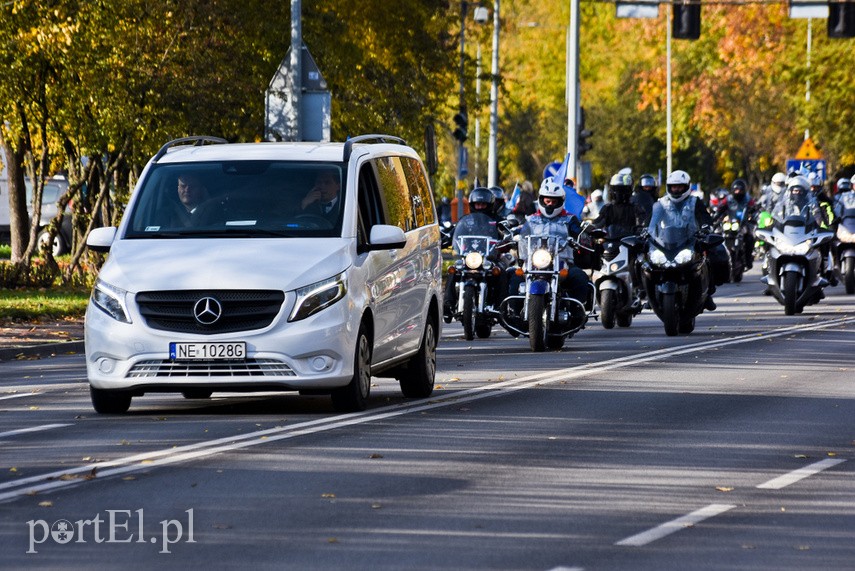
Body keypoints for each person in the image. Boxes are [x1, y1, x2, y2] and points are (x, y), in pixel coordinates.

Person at [647, 170, 720, 311]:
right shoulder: (662, 203)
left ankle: (708, 293)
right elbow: (652, 220)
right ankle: (650, 295)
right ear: (668, 187)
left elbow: (704, 217)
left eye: (679, 187)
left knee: (708, 257)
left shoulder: (695, 202)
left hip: (690, 239)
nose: (676, 190)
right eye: (673, 187)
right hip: (666, 241)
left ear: (686, 187)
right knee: (646, 261)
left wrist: (706, 227)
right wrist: (645, 230)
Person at [509, 179, 590, 305]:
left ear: (560, 202)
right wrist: (512, 235)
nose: (550, 204)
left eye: (554, 201)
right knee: (514, 276)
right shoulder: (531, 219)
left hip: (562, 261)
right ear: (541, 200)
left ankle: (577, 310)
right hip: (534, 261)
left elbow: (578, 232)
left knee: (579, 276)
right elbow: (521, 231)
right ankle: (513, 311)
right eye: (547, 201)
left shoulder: (569, 219)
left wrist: (584, 239)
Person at [726, 178, 758, 270]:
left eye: (740, 190)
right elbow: (720, 208)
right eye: (736, 190)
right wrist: (715, 216)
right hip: (732, 223)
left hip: (744, 224)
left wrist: (753, 214)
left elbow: (755, 208)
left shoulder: (748, 199)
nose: (738, 192)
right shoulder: (728, 199)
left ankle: (748, 259)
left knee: (750, 238)